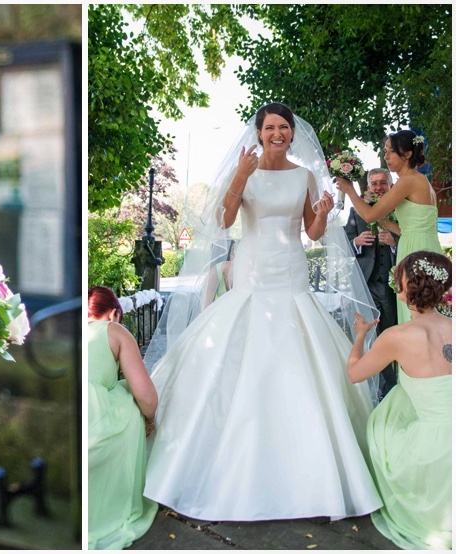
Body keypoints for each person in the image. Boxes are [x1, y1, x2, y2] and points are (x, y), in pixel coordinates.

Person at [142, 102, 382, 521]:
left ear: (292, 132)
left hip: (290, 269)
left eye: (284, 127)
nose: (278, 133)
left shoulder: (304, 175)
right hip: (252, 268)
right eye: (270, 127)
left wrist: (323, 215)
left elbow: (309, 232)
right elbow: (223, 218)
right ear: (258, 132)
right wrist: (239, 176)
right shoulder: (246, 171)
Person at [347, 251, 451, 550]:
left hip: (434, 450)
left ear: (407, 286)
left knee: (381, 423)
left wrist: (360, 337)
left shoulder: (397, 336)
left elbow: (355, 374)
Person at [335, 130, 442, 326]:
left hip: (414, 250)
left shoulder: (408, 181)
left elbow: (368, 215)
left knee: (415, 315)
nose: (386, 156)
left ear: (408, 154)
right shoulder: (420, 180)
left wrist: (350, 191)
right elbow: (404, 229)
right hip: (421, 243)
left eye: (391, 151)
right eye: (385, 151)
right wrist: (382, 221)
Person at [87, 287, 158, 549]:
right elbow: (147, 397)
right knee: (128, 390)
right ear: (114, 312)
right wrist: (150, 420)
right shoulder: (113, 330)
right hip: (94, 423)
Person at [343, 168, 400, 397]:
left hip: (393, 286)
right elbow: (343, 242)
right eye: (374, 183)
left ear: (390, 185)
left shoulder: (399, 208)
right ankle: (379, 390)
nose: (378, 187)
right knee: (369, 337)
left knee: (389, 333)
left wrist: (394, 242)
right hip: (365, 284)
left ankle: (392, 387)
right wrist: (356, 241)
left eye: (382, 183)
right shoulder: (357, 212)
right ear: (367, 187)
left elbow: (412, 236)